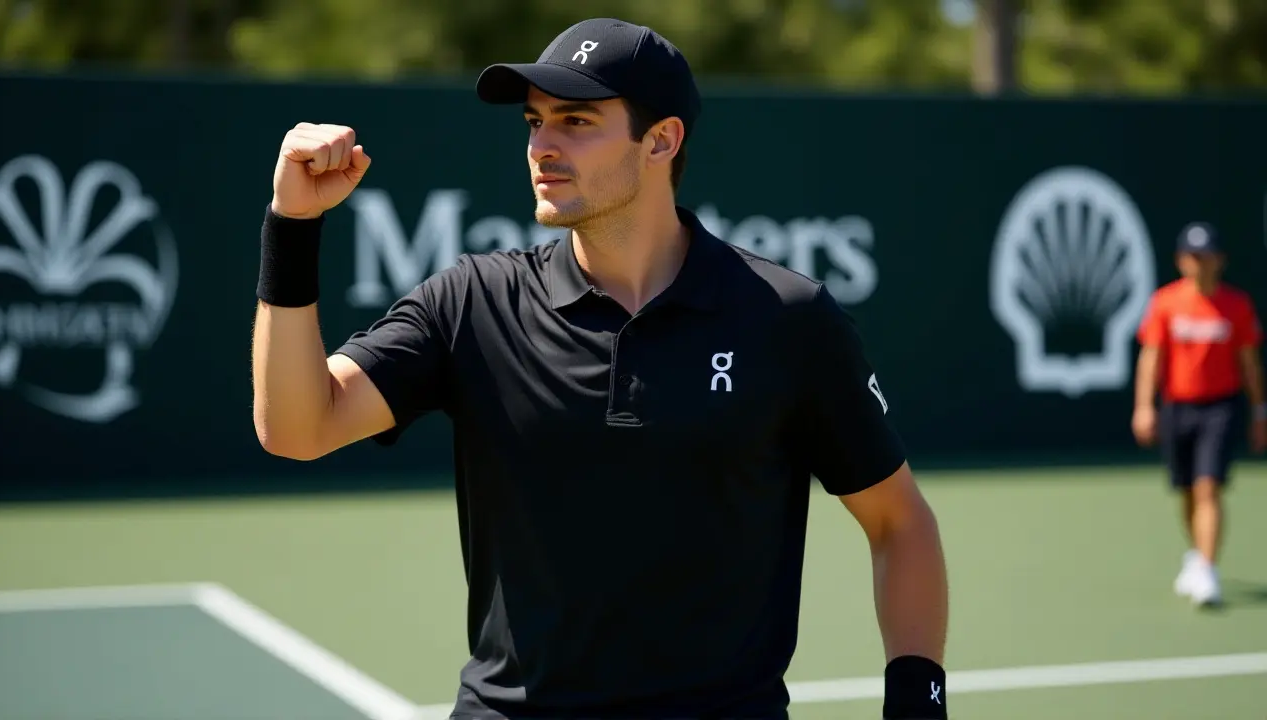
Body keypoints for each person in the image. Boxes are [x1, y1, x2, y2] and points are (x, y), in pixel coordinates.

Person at [250, 17, 950, 720]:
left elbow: (900, 524)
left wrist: (917, 702)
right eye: (534, 122)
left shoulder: (788, 318)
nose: (542, 147)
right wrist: (292, 223)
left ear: (662, 140)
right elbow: (298, 427)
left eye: (576, 121)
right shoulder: (471, 301)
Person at [1132, 221, 1266, 608]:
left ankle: (1207, 567)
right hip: (1178, 407)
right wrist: (1144, 406)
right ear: (1180, 261)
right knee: (1188, 489)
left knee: (1209, 486)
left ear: (1219, 261)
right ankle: (1197, 553)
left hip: (1221, 407)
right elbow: (1151, 359)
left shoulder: (1236, 306)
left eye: (1206, 257)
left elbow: (1250, 364)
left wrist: (1260, 410)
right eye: (1192, 257)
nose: (1200, 264)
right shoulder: (1166, 303)